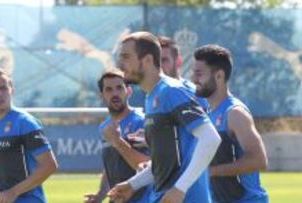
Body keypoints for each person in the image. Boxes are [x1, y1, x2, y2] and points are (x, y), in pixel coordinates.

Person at [108, 31, 221, 203]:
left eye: (125, 57)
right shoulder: (152, 97)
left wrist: (180, 189)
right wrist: (133, 184)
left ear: (146, 60)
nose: (120, 63)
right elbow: (165, 162)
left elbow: (211, 138)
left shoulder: (171, 91)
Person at [191, 44, 268, 203]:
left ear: (219, 76)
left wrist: (210, 171)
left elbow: (259, 160)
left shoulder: (235, 113)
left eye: (199, 74)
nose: (193, 79)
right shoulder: (207, 113)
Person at [0, 68, 58, 203]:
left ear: (11, 91)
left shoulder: (25, 122)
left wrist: (13, 192)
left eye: (3, 88)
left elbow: (49, 165)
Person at [84, 70, 151, 203]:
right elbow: (111, 165)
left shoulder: (142, 122)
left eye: (119, 88)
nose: (114, 93)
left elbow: (149, 167)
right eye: (108, 89)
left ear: (129, 92)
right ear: (101, 96)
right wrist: (101, 194)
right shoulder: (105, 127)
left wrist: (118, 141)